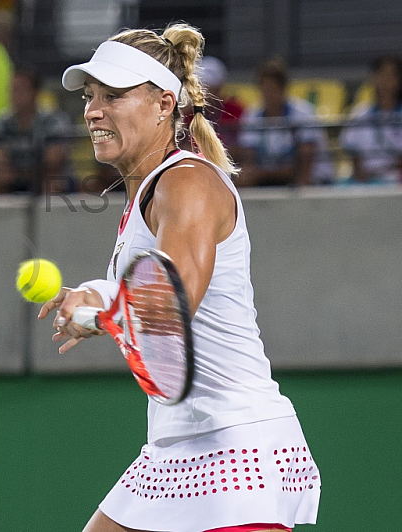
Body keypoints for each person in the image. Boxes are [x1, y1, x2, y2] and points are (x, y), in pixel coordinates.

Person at [37, 23, 320, 532]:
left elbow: (173, 298)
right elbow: (150, 278)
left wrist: (101, 312)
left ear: (164, 105)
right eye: (89, 96)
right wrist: (95, 293)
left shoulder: (187, 182)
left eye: (113, 95)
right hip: (176, 446)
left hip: (237, 453)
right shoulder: (148, 191)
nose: (93, 111)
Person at [238, 58, 333, 187]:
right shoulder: (252, 116)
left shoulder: (304, 114)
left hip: (311, 181)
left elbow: (305, 162)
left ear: (283, 89)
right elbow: (249, 158)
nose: (268, 95)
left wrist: (265, 174)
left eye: (272, 89)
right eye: (264, 89)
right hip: (269, 181)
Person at [0, 67, 76, 194]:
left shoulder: (55, 121)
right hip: (15, 180)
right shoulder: (1, 123)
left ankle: (48, 214)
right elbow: (0, 162)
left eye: (20, 89)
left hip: (49, 178)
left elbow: (53, 163)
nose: (15, 95)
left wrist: (20, 173)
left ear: (36, 92)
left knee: (52, 183)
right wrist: (13, 174)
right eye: (12, 90)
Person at [339, 54, 402, 184]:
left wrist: (381, 171)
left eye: (391, 75)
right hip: (367, 183)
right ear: (373, 77)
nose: (385, 80)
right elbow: (357, 164)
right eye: (380, 74)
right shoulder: (359, 115)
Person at [182, 56, 244, 152]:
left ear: (219, 88)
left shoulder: (235, 110)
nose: (202, 92)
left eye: (207, 87)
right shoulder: (187, 112)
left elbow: (241, 147)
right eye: (198, 86)